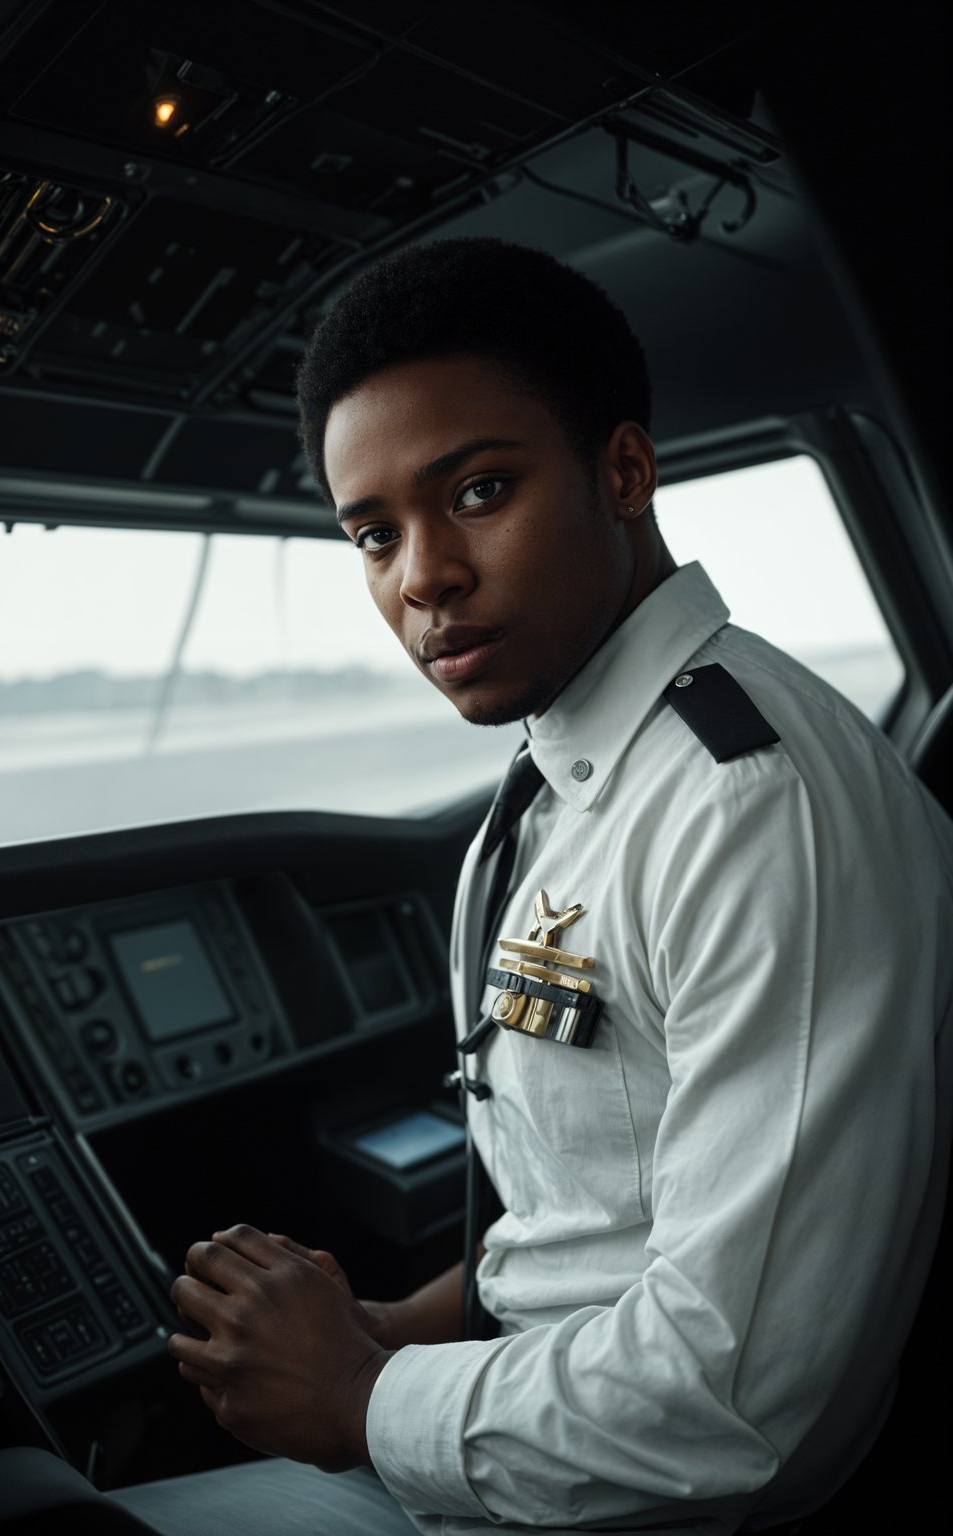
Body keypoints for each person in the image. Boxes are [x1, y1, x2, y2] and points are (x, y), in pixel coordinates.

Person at [111, 238, 953, 1536]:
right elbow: (600, 1224)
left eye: (481, 490)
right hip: (522, 1422)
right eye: (373, 533)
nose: (421, 578)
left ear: (624, 471)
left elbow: (741, 1404)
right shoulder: (568, 770)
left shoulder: (744, 804)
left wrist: (364, 1394)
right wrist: (400, 1332)